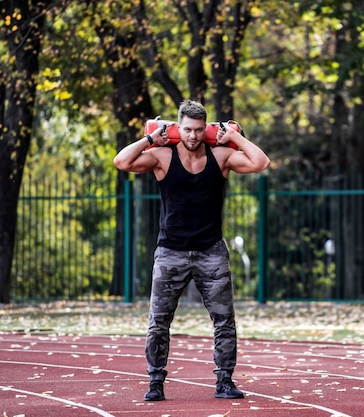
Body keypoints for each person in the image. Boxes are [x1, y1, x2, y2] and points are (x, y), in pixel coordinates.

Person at [113, 100, 270, 401]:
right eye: (187, 130)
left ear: (206, 128)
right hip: (170, 252)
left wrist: (234, 136)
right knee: (159, 322)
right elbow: (121, 162)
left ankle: (224, 382)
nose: (194, 136)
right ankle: (155, 383)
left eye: (199, 130)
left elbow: (261, 163)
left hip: (211, 251)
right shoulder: (160, 156)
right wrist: (149, 138)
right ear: (177, 128)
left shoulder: (222, 156)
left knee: (224, 320)